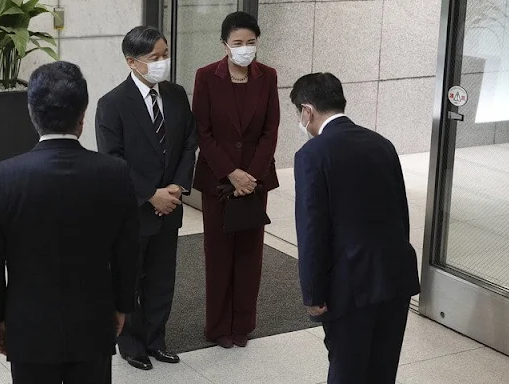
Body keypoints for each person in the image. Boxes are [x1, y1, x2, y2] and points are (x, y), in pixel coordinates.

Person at [0, 61, 140, 384]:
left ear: (31, 113)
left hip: (29, 328)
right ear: (82, 117)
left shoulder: (2, 178)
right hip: (93, 323)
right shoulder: (115, 174)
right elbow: (127, 251)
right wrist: (122, 306)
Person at [292, 72, 421, 384]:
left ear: (307, 111)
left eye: (299, 113)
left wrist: (313, 292)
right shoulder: (382, 144)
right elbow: (400, 213)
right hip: (395, 275)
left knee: (347, 370)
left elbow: (312, 230)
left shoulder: (312, 154)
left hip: (350, 285)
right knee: (382, 370)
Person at [95, 26, 197, 371]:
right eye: (154, 58)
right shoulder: (111, 104)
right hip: (134, 209)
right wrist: (150, 194)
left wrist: (178, 187)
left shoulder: (177, 94)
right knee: (130, 278)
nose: (162, 63)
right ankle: (132, 344)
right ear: (132, 62)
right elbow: (113, 158)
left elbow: (188, 143)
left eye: (165, 55)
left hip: (170, 204)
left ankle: (157, 340)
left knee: (161, 277)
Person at [192, 11, 280, 349]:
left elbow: (271, 131)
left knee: (249, 254)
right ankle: (217, 327)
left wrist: (251, 176)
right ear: (225, 44)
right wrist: (232, 172)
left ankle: (242, 324)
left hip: (255, 181)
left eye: (251, 43)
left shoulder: (268, 76)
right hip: (219, 177)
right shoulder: (206, 76)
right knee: (218, 253)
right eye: (238, 43)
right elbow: (203, 130)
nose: (245, 49)